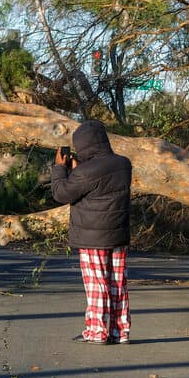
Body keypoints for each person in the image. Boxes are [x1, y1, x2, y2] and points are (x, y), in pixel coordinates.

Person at [51, 119, 133, 345]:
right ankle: (120, 332)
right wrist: (79, 169)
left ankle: (97, 331)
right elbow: (99, 183)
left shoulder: (85, 172)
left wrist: (59, 168)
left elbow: (61, 193)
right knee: (118, 283)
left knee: (97, 284)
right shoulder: (123, 164)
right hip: (118, 234)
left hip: (92, 238)